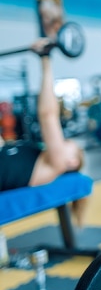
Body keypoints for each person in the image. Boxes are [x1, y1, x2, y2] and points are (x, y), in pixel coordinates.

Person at [0, 38, 86, 222]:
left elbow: (47, 115)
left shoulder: (54, 165)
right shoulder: (32, 151)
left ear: (71, 162)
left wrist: (45, 59)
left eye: (66, 144)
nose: (61, 140)